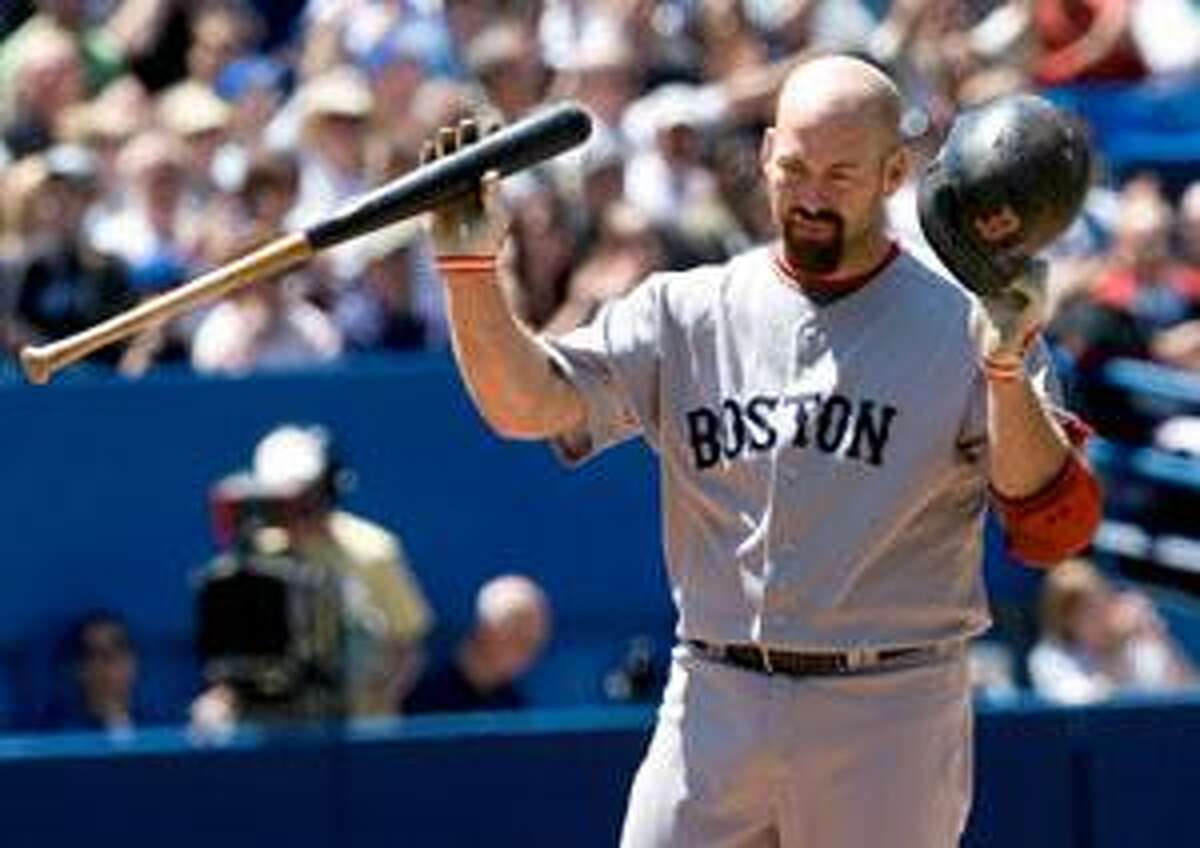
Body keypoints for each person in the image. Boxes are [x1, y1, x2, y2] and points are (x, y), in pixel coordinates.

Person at [424, 54, 1103, 847]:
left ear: (893, 173)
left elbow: (1053, 524)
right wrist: (469, 271)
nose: (812, 195)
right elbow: (529, 405)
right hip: (715, 696)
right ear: (765, 152)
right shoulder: (689, 308)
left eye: (841, 174)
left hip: (887, 704)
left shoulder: (967, 321)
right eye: (795, 167)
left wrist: (1004, 370)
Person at [191, 424, 433, 729]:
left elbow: (408, 643)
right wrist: (223, 701)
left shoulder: (374, 550)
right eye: (286, 501)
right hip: (277, 732)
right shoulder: (253, 560)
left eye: (308, 497)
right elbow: (239, 662)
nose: (300, 511)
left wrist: (376, 701)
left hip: (356, 732)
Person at [1028, 558, 1197, 705]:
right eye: (1090, 611)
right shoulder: (1049, 658)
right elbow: (1094, 704)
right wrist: (1114, 650)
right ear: (1066, 620)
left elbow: (1187, 694)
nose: (1103, 617)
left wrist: (1159, 638)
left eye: (1105, 603)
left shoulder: (1141, 645)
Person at [405, 574, 550, 715]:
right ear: (486, 629)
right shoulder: (417, 683)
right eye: (518, 635)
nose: (527, 650)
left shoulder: (513, 707)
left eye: (534, 641)